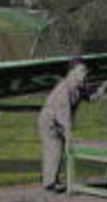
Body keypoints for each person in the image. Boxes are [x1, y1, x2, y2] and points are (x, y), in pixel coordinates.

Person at [37, 57, 90, 193]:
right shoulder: (64, 88)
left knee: (57, 150)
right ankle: (49, 183)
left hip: (57, 120)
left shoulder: (78, 85)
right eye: (82, 70)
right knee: (55, 149)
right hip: (49, 121)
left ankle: (49, 177)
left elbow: (90, 96)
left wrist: (104, 89)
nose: (85, 73)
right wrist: (69, 133)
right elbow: (63, 115)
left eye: (85, 70)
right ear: (72, 72)